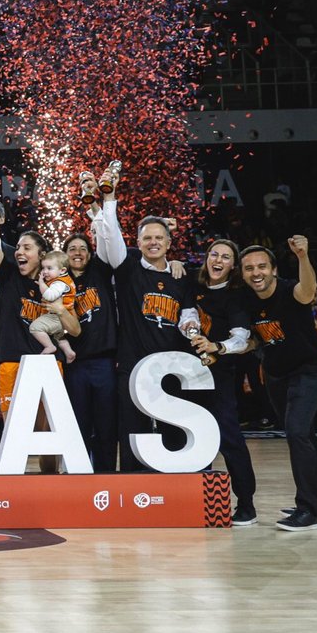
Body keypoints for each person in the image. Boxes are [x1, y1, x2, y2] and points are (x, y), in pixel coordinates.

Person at [89, 169, 193, 470]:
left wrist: (192, 328)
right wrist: (110, 199)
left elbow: (188, 313)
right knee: (133, 431)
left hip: (172, 365)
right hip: (133, 365)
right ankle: (134, 490)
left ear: (169, 242)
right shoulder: (128, 269)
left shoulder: (182, 276)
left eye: (159, 237)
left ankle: (175, 487)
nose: (153, 242)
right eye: (147, 238)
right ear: (137, 242)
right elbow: (111, 236)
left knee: (175, 431)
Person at [240, 238, 317, 532]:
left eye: (262, 266)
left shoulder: (289, 290)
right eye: (249, 268)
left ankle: (308, 511)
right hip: (276, 375)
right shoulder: (246, 299)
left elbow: (307, 290)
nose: (256, 273)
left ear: (274, 269)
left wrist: (303, 256)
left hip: (307, 371)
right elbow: (256, 339)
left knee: (297, 433)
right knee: (304, 434)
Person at [0, 231, 81, 473]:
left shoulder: (58, 286)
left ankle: (50, 485)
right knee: (12, 434)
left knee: (47, 435)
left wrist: (61, 310)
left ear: (42, 255)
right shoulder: (8, 274)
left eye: (26, 247)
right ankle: (11, 491)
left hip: (47, 365)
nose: (19, 251)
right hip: (11, 361)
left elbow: (75, 330)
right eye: (18, 247)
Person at [180, 238, 258, 526]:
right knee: (194, 437)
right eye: (214, 254)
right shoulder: (194, 283)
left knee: (229, 437)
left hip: (220, 375)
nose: (218, 260)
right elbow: (187, 315)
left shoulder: (236, 295)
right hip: (189, 374)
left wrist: (217, 347)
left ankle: (246, 503)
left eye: (226, 257)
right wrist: (191, 330)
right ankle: (201, 502)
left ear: (233, 265)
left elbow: (241, 338)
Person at [64, 232, 119, 470]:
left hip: (104, 362)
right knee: (78, 424)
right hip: (74, 364)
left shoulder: (100, 273)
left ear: (90, 254)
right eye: (72, 249)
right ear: (65, 255)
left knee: (106, 425)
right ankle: (79, 477)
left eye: (83, 249)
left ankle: (106, 476)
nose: (77, 253)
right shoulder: (59, 283)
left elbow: (109, 242)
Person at [28, 250, 78, 361]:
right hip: (62, 317)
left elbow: (49, 295)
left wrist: (42, 284)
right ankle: (69, 352)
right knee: (58, 336)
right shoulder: (61, 280)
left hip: (57, 317)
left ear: (62, 270)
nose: (45, 271)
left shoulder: (59, 283)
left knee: (34, 328)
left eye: (49, 268)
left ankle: (49, 346)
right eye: (43, 268)